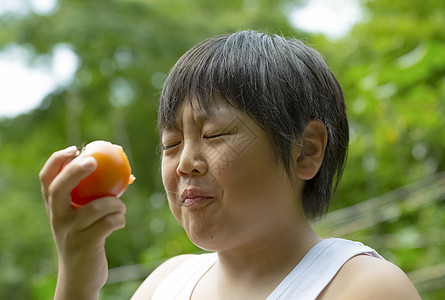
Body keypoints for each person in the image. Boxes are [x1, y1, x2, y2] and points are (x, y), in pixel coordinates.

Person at [39, 30, 421, 299]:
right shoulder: (166, 283)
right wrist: (76, 283)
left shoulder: (363, 287)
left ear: (305, 150)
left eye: (214, 135)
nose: (184, 163)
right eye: (171, 143)